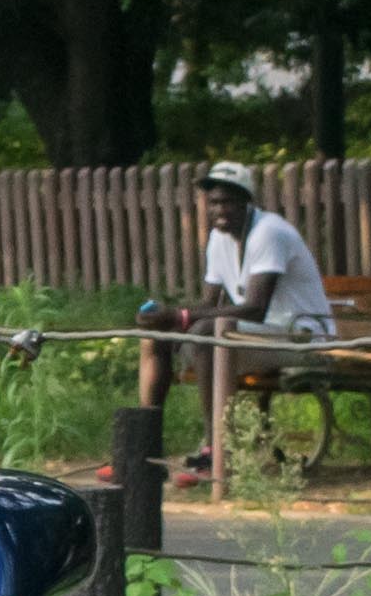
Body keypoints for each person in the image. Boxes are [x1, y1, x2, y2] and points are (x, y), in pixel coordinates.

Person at [138, 162, 336, 475]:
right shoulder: (220, 238)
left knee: (205, 332)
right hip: (256, 336)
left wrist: (184, 316)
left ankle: (217, 448)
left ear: (247, 201)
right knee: (157, 337)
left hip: (302, 336)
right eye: (214, 202)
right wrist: (172, 321)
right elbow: (209, 301)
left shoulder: (269, 232)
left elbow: (256, 307)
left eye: (228, 201)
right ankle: (145, 452)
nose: (219, 209)